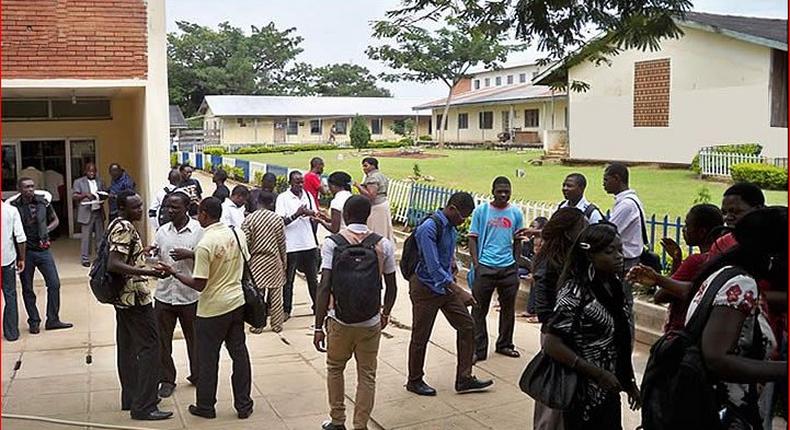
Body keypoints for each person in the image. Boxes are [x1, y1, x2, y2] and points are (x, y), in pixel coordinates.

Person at [683, 207, 787, 429]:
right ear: (773, 254)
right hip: (722, 412)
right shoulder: (740, 284)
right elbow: (717, 358)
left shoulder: (725, 272)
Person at [156, 197, 254, 420]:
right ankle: (243, 404)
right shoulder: (236, 233)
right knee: (239, 354)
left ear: (204, 215)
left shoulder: (205, 243)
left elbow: (199, 283)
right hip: (237, 303)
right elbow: (245, 265)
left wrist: (173, 272)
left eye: (198, 212)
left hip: (212, 309)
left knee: (208, 359)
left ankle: (206, 406)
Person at [542, 222, 640, 429]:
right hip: (581, 391)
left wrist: (629, 382)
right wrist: (596, 373)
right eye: (609, 251)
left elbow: (620, 339)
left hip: (608, 390)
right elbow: (551, 343)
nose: (619, 256)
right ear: (590, 255)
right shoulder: (575, 292)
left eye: (620, 250)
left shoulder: (615, 287)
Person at [313, 195, 398, 430]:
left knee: (335, 368)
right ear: (368, 215)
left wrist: (319, 326)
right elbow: (391, 286)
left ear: (347, 215)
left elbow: (324, 286)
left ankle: (337, 420)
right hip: (370, 321)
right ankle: (360, 425)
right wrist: (385, 314)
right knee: (367, 375)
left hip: (339, 320)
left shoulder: (332, 243)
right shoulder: (383, 244)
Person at [406, 192, 493, 396]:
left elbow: (446, 256)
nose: (464, 221)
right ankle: (414, 380)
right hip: (425, 287)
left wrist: (453, 265)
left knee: (467, 325)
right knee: (421, 336)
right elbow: (432, 266)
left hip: (444, 286)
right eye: (463, 216)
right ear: (452, 209)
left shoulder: (451, 228)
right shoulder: (428, 228)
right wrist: (459, 290)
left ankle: (464, 378)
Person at [106, 190, 172, 421]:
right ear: (123, 208)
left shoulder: (117, 223)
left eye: (141, 206)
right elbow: (114, 263)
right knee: (150, 348)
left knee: (127, 348)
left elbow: (124, 256)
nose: (140, 210)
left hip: (123, 299)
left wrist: (142, 254)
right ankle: (144, 405)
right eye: (135, 207)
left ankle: (131, 397)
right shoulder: (124, 227)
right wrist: (148, 272)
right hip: (134, 298)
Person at [528, 207, 588, 430]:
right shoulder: (551, 263)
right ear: (568, 232)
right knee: (554, 400)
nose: (586, 231)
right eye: (582, 227)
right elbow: (544, 311)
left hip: (568, 336)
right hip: (557, 337)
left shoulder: (575, 258)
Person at [626, 204, 724, 333]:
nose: (684, 230)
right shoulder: (721, 257)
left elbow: (661, 296)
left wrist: (657, 278)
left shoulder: (696, 261)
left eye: (687, 225)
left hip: (680, 329)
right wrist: (677, 260)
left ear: (702, 232)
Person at [150, 192, 203, 398]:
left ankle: (198, 374)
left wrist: (190, 254)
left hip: (189, 296)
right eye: (167, 207)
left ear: (186, 208)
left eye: (175, 208)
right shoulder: (162, 231)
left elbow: (209, 258)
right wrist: (152, 257)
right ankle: (166, 379)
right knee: (162, 341)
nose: (170, 211)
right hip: (164, 295)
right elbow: (156, 258)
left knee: (195, 340)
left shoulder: (199, 231)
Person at [467, 177, 524, 362]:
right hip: (486, 267)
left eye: (507, 191)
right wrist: (477, 264)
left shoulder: (515, 213)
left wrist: (515, 265)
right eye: (500, 191)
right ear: (493, 191)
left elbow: (518, 241)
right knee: (478, 310)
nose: (503, 195)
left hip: (507, 269)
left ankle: (505, 344)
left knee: (508, 310)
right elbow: (473, 238)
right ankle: (478, 349)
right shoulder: (482, 211)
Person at [11, 177, 73, 333]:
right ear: (19, 188)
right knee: (27, 288)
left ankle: (53, 319)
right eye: (26, 187)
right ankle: (34, 321)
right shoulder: (14, 206)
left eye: (32, 186)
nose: (30, 189)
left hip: (43, 250)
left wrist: (46, 230)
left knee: (54, 284)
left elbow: (55, 220)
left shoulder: (43, 202)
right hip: (25, 253)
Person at [603, 162, 644, 324]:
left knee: (622, 305)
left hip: (625, 262)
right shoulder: (626, 201)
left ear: (617, 178)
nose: (603, 184)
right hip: (625, 260)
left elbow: (609, 231)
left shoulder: (627, 204)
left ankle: (625, 342)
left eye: (606, 180)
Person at [242, 191, 287, 333]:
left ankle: (258, 324)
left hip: (256, 261)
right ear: (272, 203)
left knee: (258, 296)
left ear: (257, 201)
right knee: (276, 295)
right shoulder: (277, 219)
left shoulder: (250, 219)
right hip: (274, 260)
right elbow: (282, 243)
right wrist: (284, 262)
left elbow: (245, 242)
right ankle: (277, 324)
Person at [276, 171, 320, 318]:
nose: (300, 185)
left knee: (313, 279)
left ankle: (317, 306)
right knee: (288, 281)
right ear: (290, 182)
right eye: (297, 182)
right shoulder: (283, 198)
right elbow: (281, 222)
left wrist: (310, 213)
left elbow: (316, 215)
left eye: (301, 182)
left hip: (308, 243)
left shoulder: (308, 195)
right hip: (291, 246)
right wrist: (296, 214)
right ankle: (286, 310)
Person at [710, 182, 766, 256]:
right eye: (724, 213)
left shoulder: (780, 240)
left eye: (736, 212)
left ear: (758, 209)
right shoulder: (721, 244)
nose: (727, 218)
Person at [73, 162, 107, 267]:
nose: (92, 173)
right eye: (89, 171)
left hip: (98, 211)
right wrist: (86, 195)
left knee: (100, 237)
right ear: (85, 171)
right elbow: (74, 196)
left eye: (93, 171)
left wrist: (103, 196)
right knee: (86, 237)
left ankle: (100, 257)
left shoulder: (100, 181)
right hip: (86, 212)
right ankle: (85, 259)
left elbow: (104, 193)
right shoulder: (79, 182)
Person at [2, 200, 26, 342]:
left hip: (7, 260)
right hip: (6, 260)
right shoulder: (10, 210)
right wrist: (22, 259)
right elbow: (20, 237)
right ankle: (11, 333)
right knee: (10, 295)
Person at [354, 157, 394, 241]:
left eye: (366, 166)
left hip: (376, 206)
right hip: (383, 203)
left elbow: (371, 195)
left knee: (377, 229)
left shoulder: (373, 178)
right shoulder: (381, 175)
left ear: (373, 166)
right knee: (383, 228)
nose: (364, 168)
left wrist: (358, 186)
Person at [519, 216, 548, 320]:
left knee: (537, 280)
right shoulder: (530, 241)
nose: (530, 229)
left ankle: (537, 313)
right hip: (531, 268)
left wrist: (534, 273)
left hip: (543, 271)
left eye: (533, 227)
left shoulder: (547, 243)